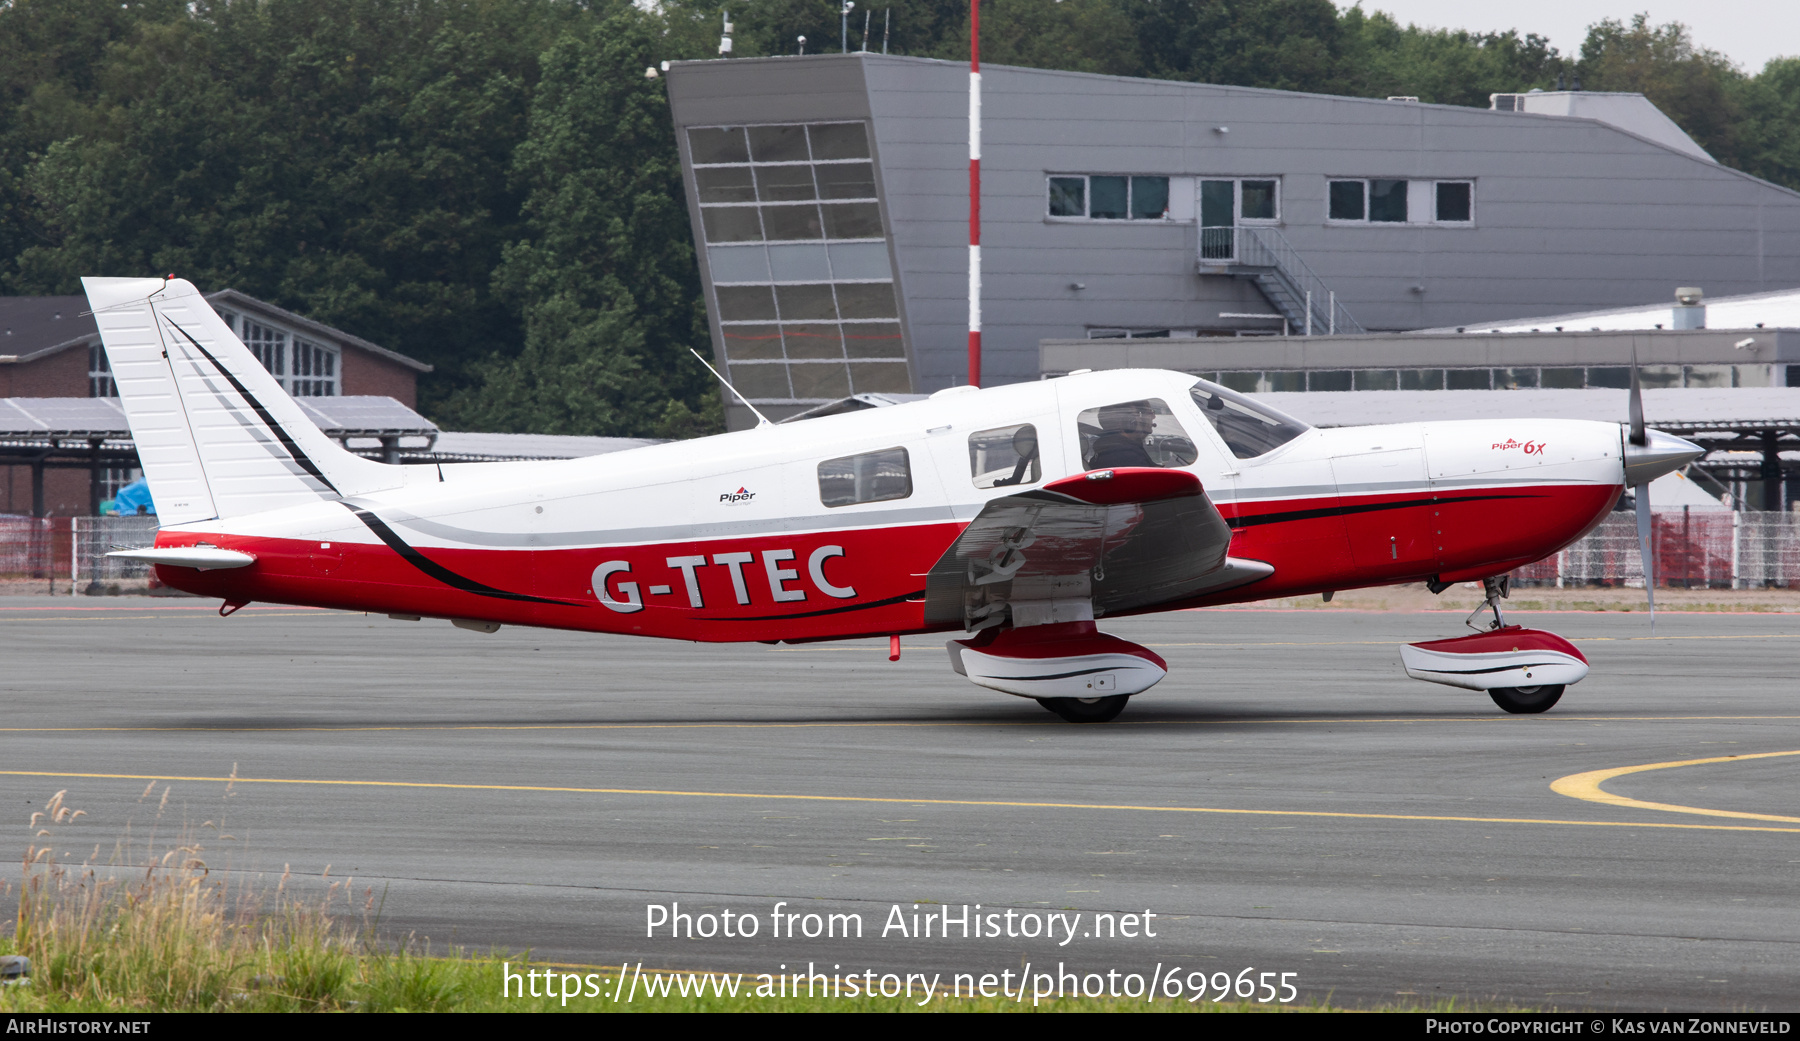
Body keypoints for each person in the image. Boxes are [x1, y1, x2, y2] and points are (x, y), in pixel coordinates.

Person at [1086, 401, 1157, 468]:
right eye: (1150, 413)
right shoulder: (1126, 456)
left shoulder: (1114, 450)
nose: (1153, 416)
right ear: (1131, 421)